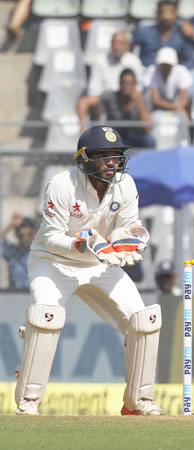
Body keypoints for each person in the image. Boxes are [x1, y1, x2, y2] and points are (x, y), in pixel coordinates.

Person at [14, 125, 164, 416]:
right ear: (85, 159)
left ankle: (138, 402)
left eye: (116, 156)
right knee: (47, 318)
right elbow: (51, 238)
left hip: (98, 262)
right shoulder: (62, 184)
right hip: (53, 261)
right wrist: (84, 245)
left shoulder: (126, 185)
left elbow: (128, 226)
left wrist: (126, 242)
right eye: (104, 156)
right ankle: (29, 402)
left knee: (143, 322)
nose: (112, 163)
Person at [77, 31, 145, 124]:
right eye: (114, 42)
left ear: (128, 46)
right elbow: (94, 90)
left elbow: (138, 89)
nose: (117, 47)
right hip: (104, 101)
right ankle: (86, 131)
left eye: (121, 43)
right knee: (84, 102)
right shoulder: (100, 60)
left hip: (127, 100)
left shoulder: (134, 61)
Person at [79, 69, 155, 148]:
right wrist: (83, 126)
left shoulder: (142, 99)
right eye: (124, 83)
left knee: (150, 141)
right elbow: (84, 102)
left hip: (137, 137)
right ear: (120, 84)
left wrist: (140, 103)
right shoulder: (111, 96)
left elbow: (148, 129)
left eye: (130, 83)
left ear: (135, 84)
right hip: (115, 136)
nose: (127, 86)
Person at [133, 0, 194, 69]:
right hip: (147, 73)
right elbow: (129, 49)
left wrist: (181, 72)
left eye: (171, 12)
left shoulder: (182, 34)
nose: (166, 16)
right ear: (157, 13)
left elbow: (189, 59)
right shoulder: (143, 31)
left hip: (172, 75)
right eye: (162, 12)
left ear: (176, 14)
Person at [143, 47, 193, 118]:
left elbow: (184, 99)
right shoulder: (152, 71)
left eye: (168, 65)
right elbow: (155, 99)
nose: (165, 67)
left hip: (178, 107)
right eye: (163, 65)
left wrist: (178, 108)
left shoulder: (182, 71)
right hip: (158, 109)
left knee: (185, 117)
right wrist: (175, 108)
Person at [1, 213, 36, 289]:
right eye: (22, 235)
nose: (26, 238)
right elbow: (2, 240)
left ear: (34, 234)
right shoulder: (12, 252)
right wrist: (11, 225)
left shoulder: (38, 252)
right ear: (18, 235)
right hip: (16, 294)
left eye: (29, 234)